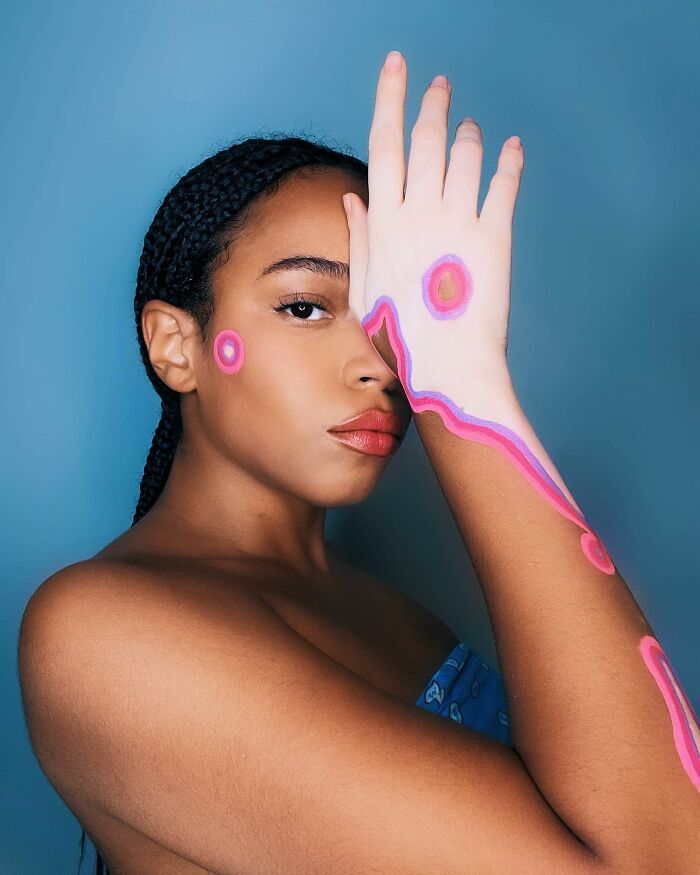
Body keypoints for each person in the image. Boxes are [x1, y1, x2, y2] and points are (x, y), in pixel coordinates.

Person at [17, 50, 699, 875]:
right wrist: (461, 387)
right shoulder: (101, 637)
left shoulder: (395, 615)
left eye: (390, 317)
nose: (383, 362)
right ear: (176, 345)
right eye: (306, 306)